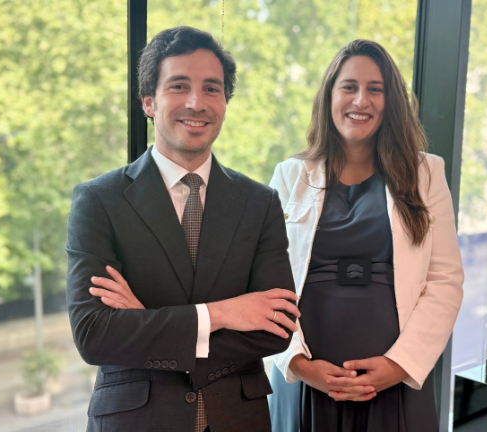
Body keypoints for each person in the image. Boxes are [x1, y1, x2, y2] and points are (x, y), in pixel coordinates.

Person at [66, 26, 300, 432]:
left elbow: (276, 329)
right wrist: (224, 314)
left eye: (212, 88)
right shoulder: (99, 200)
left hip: (238, 420)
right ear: (148, 102)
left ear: (225, 102)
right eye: (179, 86)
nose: (197, 102)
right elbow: (95, 334)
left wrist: (145, 321)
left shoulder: (259, 202)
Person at [267, 40, 464, 432]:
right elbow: (265, 282)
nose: (361, 100)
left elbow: (445, 280)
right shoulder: (290, 175)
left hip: (394, 383)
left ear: (391, 102)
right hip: (306, 382)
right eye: (349, 87)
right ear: (329, 95)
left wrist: (398, 365)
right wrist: (298, 364)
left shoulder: (426, 174)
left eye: (376, 89)